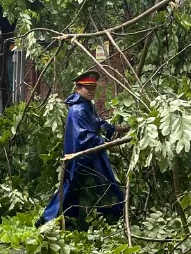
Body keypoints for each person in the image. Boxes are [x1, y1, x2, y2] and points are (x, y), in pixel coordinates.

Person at [37, 71, 128, 226]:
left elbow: (98, 122)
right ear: (78, 89)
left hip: (91, 155)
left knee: (96, 185)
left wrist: (117, 129)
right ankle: (47, 220)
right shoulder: (77, 110)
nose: (91, 91)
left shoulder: (87, 106)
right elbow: (83, 137)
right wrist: (106, 144)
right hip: (80, 157)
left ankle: (104, 217)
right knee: (72, 188)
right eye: (87, 88)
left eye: (93, 87)